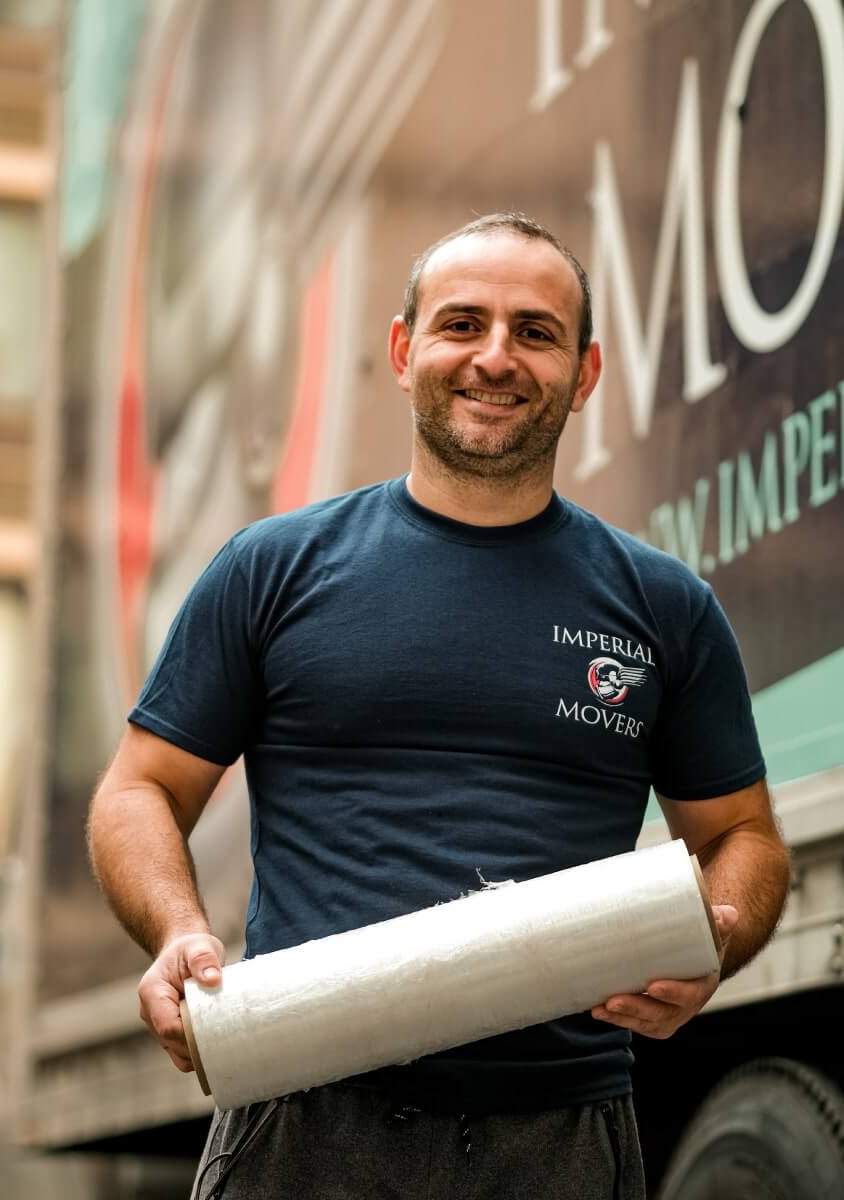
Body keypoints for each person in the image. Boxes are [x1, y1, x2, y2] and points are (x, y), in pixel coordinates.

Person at [88, 212, 790, 1199]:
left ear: (584, 374)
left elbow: (746, 836)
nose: (495, 358)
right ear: (403, 349)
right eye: (463, 324)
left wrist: (714, 934)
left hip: (558, 1136)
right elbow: (140, 789)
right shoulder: (274, 570)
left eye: (535, 333)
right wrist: (175, 930)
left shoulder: (662, 606)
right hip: (305, 1114)